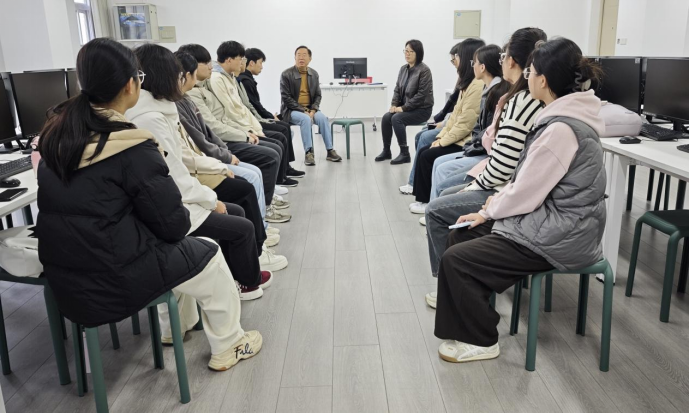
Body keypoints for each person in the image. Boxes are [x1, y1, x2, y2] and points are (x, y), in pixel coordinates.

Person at [36, 38, 261, 371]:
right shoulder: (132, 144)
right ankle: (230, 345)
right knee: (208, 252)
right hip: (116, 281)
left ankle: (175, 327)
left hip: (67, 283)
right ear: (131, 84)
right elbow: (173, 224)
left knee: (180, 247)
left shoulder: (56, 138)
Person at [434, 37, 605, 363]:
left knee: (457, 259)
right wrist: (489, 210)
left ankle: (482, 339)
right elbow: (527, 185)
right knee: (461, 235)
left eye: (531, 71)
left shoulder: (561, 130)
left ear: (543, 80)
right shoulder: (564, 115)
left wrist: (489, 210)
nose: (527, 76)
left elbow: (526, 191)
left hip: (563, 233)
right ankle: (469, 320)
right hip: (552, 221)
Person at [125, 44, 288, 298]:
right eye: (177, 72)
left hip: (190, 179)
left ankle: (247, 263)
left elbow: (194, 147)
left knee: (246, 191)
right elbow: (178, 169)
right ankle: (249, 276)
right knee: (244, 198)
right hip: (175, 201)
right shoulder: (154, 116)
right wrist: (212, 196)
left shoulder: (166, 107)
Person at [424, 28, 547, 308]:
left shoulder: (521, 101)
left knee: (436, 209)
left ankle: (449, 286)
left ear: (512, 61)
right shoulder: (516, 96)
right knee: (445, 185)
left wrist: (472, 186)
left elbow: (501, 168)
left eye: (504, 56)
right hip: (504, 182)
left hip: (504, 189)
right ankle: (454, 283)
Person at [175, 50, 287, 243]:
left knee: (273, 147)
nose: (211, 66)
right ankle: (261, 229)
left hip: (218, 148)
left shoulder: (202, 89)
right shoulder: (199, 90)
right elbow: (205, 136)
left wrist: (253, 129)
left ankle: (262, 224)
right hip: (213, 155)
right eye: (205, 63)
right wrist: (230, 151)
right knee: (255, 172)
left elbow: (226, 119)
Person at [408, 39, 486, 213]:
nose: (455, 63)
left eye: (456, 58)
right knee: (426, 147)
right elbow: (454, 117)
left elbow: (465, 125)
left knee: (427, 154)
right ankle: (422, 198)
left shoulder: (476, 86)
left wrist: (442, 141)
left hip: (465, 141)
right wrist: (441, 137)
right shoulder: (468, 84)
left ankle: (426, 201)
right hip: (459, 137)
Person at [426, 44, 508, 203]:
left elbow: (481, 130)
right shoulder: (485, 88)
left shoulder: (495, 92)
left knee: (439, 164)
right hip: (477, 146)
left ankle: (433, 207)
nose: (472, 66)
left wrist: (449, 141)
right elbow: (469, 121)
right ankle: (431, 205)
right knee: (429, 147)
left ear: (482, 67)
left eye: (474, 62)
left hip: (483, 152)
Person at [211, 41, 298, 188]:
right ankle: (277, 182)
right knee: (276, 143)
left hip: (243, 127)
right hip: (232, 132)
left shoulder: (230, 78)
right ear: (229, 59)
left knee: (280, 136)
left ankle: (280, 177)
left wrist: (256, 129)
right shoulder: (218, 79)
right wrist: (249, 131)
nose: (242, 63)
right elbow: (232, 112)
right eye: (240, 59)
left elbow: (243, 108)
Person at [238, 48, 304, 178]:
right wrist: (269, 117)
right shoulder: (245, 81)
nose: (262, 67)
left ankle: (286, 167)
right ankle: (284, 170)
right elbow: (254, 106)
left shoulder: (246, 79)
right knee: (283, 128)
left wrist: (269, 116)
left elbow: (254, 106)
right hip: (251, 122)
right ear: (251, 63)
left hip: (255, 118)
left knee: (284, 126)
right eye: (260, 63)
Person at [280, 45, 342, 165]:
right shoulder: (286, 74)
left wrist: (313, 110)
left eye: (304, 55)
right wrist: (304, 111)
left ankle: (330, 151)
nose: (301, 58)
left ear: (310, 58)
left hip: (310, 109)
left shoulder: (314, 74)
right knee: (305, 119)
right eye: (298, 55)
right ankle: (308, 152)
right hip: (291, 110)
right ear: (294, 57)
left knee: (323, 118)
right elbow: (286, 98)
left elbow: (318, 95)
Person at [376, 40, 434, 164]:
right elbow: (397, 89)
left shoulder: (424, 70)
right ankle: (386, 151)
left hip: (422, 110)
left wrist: (403, 108)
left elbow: (421, 96)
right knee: (386, 117)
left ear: (418, 53)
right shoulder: (403, 69)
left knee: (397, 118)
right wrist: (394, 105)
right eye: (405, 51)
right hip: (407, 108)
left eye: (410, 51)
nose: (407, 54)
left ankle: (405, 153)